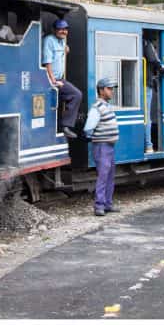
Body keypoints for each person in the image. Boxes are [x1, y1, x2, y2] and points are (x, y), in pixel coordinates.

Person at [84, 77, 120, 216]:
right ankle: (99, 206)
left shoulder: (106, 106)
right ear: (101, 90)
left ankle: (107, 204)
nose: (111, 92)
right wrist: (91, 138)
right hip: (102, 146)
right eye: (109, 89)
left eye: (112, 89)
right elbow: (88, 127)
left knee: (110, 176)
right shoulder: (97, 108)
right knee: (103, 176)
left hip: (109, 146)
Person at [43, 19, 82, 139]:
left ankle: (65, 126)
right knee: (75, 95)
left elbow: (60, 54)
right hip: (50, 79)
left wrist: (66, 50)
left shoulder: (63, 41)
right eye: (60, 29)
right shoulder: (49, 40)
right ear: (54, 30)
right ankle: (64, 126)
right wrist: (53, 81)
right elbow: (47, 62)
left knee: (76, 94)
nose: (63, 31)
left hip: (60, 78)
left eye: (65, 29)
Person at [142, 38, 164, 153]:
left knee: (144, 115)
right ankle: (149, 146)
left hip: (135, 84)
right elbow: (153, 59)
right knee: (147, 115)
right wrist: (163, 70)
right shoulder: (147, 42)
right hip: (145, 84)